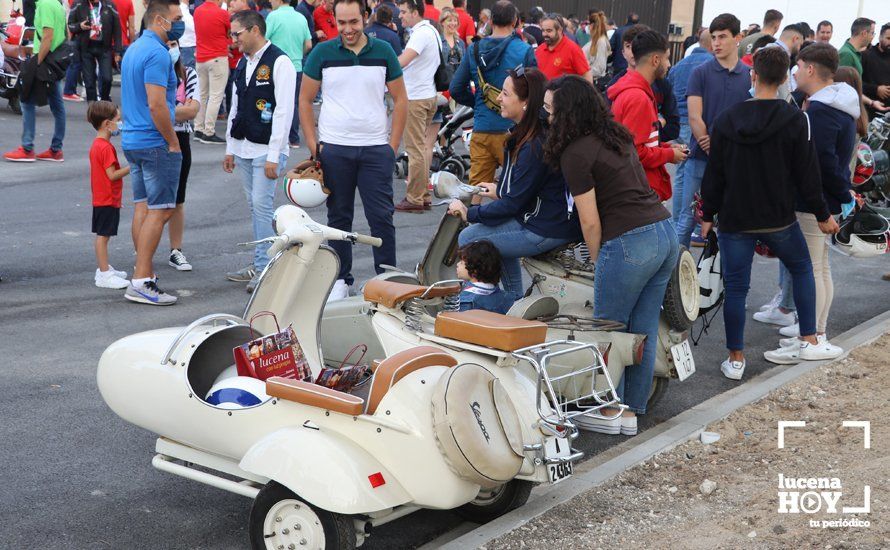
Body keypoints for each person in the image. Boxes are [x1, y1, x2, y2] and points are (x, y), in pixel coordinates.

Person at [543, 75, 677, 435]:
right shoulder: (615, 134)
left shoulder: (575, 153)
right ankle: (631, 411)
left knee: (604, 332)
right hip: (664, 231)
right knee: (643, 329)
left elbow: (590, 221)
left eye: (551, 110)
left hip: (630, 240)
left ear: (568, 113)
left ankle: (606, 411)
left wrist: (601, 259)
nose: (547, 117)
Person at [700, 46, 840, 381]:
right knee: (802, 267)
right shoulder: (796, 119)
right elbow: (808, 175)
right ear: (784, 80)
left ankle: (735, 359)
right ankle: (809, 337)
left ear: (754, 75)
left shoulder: (726, 120)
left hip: (735, 217)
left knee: (736, 288)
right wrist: (822, 213)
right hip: (778, 216)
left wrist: (708, 214)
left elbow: (714, 174)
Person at [300, 0, 407, 301]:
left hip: (375, 150)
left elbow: (401, 99)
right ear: (334, 20)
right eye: (341, 22)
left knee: (382, 218)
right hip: (334, 149)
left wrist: (392, 147)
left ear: (366, 18)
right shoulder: (322, 53)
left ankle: (387, 278)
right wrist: (313, 144)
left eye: (354, 22)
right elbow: (305, 99)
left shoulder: (384, 51)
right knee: (338, 219)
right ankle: (340, 280)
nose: (347, 29)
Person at [449, 67, 581, 296]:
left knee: (469, 237)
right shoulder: (528, 134)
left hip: (545, 227)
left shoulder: (534, 144)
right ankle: (512, 301)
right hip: (541, 218)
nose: (498, 97)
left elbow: (512, 204)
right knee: (489, 236)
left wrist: (468, 213)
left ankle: (484, 301)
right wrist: (498, 189)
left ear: (526, 103)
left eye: (506, 94)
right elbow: (523, 189)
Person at [763, 43, 857, 364]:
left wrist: (833, 200)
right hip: (824, 199)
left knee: (814, 268)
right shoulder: (835, 103)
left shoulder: (821, 111)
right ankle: (815, 333)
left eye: (798, 67)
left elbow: (822, 163)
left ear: (811, 70)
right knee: (821, 267)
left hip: (814, 202)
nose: (795, 73)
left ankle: (812, 338)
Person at [223, 10, 296, 292]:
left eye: (237, 33)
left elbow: (284, 112)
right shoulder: (243, 63)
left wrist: (274, 156)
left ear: (254, 30)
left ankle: (267, 267)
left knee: (263, 208)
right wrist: (230, 148)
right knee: (255, 208)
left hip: (266, 149)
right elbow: (235, 107)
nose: (233, 39)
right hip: (244, 146)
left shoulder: (280, 62)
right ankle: (258, 261)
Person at [120, 0, 183, 305]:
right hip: (153, 140)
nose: (180, 23)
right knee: (161, 210)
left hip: (133, 138)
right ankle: (142, 279)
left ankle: (142, 272)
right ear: (160, 20)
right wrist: (172, 141)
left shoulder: (134, 49)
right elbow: (156, 104)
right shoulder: (157, 53)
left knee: (144, 208)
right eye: (177, 18)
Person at [675, 14, 751, 249]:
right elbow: (694, 115)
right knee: (687, 219)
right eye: (714, 37)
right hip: (700, 157)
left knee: (730, 220)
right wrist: (708, 143)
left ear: (738, 38)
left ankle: (723, 280)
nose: (717, 42)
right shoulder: (701, 72)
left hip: (735, 161)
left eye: (723, 37)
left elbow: (750, 117)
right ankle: (674, 276)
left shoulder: (749, 75)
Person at [449, 1, 536, 191]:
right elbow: (535, 91)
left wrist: (479, 103)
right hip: (514, 131)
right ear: (515, 21)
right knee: (516, 188)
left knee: (476, 189)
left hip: (481, 128)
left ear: (490, 20)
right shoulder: (525, 50)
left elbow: (456, 88)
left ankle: (469, 218)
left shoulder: (474, 49)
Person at [607, 30, 686, 202]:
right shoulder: (638, 97)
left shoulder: (636, 91)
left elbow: (639, 142)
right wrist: (669, 155)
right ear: (655, 60)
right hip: (638, 191)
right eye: (667, 58)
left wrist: (666, 148)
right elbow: (635, 152)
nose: (669, 64)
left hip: (635, 187)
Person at [4, 0, 67, 162]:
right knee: (57, 106)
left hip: (44, 60)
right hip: (55, 60)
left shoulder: (44, 5)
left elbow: (47, 35)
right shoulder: (57, 4)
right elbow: (65, 32)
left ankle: (27, 148)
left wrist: (36, 62)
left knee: (26, 101)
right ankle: (56, 150)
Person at [394, 0, 441, 213]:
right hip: (427, 94)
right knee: (420, 149)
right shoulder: (431, 30)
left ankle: (414, 198)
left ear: (415, 12)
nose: (400, 16)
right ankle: (422, 195)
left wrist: (382, 66)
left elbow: (401, 62)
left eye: (404, 12)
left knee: (415, 151)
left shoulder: (421, 33)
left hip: (416, 98)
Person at [666, 30, 711, 234]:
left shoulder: (678, 66)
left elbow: (668, 91)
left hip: (680, 120)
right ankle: (690, 222)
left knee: (682, 174)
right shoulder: (712, 66)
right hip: (697, 122)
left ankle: (679, 222)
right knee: (694, 174)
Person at [606, 24, 679, 143]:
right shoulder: (618, 86)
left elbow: (674, 127)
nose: (633, 51)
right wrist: (656, 125)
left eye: (637, 46)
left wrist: (661, 146)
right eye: (628, 46)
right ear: (623, 52)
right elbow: (634, 146)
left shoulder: (662, 84)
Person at [88, 100, 131, 289]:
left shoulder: (98, 145)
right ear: (107, 124)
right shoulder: (105, 147)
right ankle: (104, 273)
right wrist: (133, 167)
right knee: (103, 236)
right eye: (118, 120)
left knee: (104, 234)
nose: (120, 124)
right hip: (106, 198)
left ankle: (104, 268)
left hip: (103, 197)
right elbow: (112, 175)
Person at [166, 39, 200, 272]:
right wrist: (177, 110)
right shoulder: (149, 70)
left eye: (174, 43)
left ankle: (176, 250)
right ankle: (144, 254)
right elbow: (148, 109)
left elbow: (191, 110)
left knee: (178, 200)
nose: (171, 48)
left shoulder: (189, 74)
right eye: (166, 43)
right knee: (150, 202)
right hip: (154, 138)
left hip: (181, 139)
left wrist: (164, 110)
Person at [266, 0, 312, 149]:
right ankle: (294, 138)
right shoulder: (301, 17)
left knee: (272, 100)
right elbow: (309, 44)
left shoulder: (273, 16)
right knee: (294, 102)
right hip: (296, 65)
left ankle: (274, 136)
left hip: (275, 65)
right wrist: (299, 54)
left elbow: (264, 39)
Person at [67, 0, 122, 103]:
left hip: (104, 48)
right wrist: (80, 26)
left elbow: (117, 30)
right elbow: (70, 25)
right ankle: (92, 107)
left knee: (107, 78)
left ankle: (104, 103)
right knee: (89, 81)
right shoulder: (78, 4)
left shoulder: (109, 5)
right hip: (86, 48)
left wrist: (118, 51)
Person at [193, 0, 231, 144]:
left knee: (202, 95)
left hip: (201, 57)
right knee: (216, 96)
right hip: (217, 57)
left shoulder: (197, 11)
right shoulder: (222, 13)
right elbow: (228, 33)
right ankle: (208, 132)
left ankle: (198, 128)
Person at [455, 240, 515, 314]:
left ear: (475, 270)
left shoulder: (466, 302)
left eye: (461, 263)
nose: (457, 264)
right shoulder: (506, 298)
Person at [535, 13, 590, 82]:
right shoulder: (539, 49)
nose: (544, 34)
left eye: (549, 31)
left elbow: (587, 77)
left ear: (560, 30)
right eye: (543, 30)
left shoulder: (573, 49)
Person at [862, 23, 890, 114]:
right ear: (880, 37)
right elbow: (856, 83)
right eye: (888, 38)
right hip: (869, 111)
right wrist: (876, 89)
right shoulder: (866, 55)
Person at [581, 9, 609, 80]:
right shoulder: (595, 40)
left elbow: (600, 67)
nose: (587, 27)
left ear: (591, 25)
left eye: (588, 24)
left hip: (592, 81)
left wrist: (582, 72)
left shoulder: (601, 41)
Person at [177, 0, 196, 68]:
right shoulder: (181, 9)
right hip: (187, 46)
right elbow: (191, 27)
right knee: (189, 73)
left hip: (189, 46)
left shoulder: (186, 9)